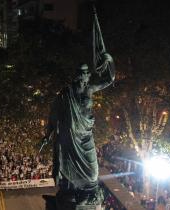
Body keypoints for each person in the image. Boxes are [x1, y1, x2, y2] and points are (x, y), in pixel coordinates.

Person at [42, 53, 115, 205]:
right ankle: (72, 194)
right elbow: (54, 114)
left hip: (86, 136)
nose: (87, 75)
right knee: (69, 169)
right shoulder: (66, 93)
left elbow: (109, 79)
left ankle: (87, 195)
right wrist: (48, 134)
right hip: (70, 137)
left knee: (93, 172)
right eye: (84, 73)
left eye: (88, 72)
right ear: (78, 75)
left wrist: (110, 61)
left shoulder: (90, 89)